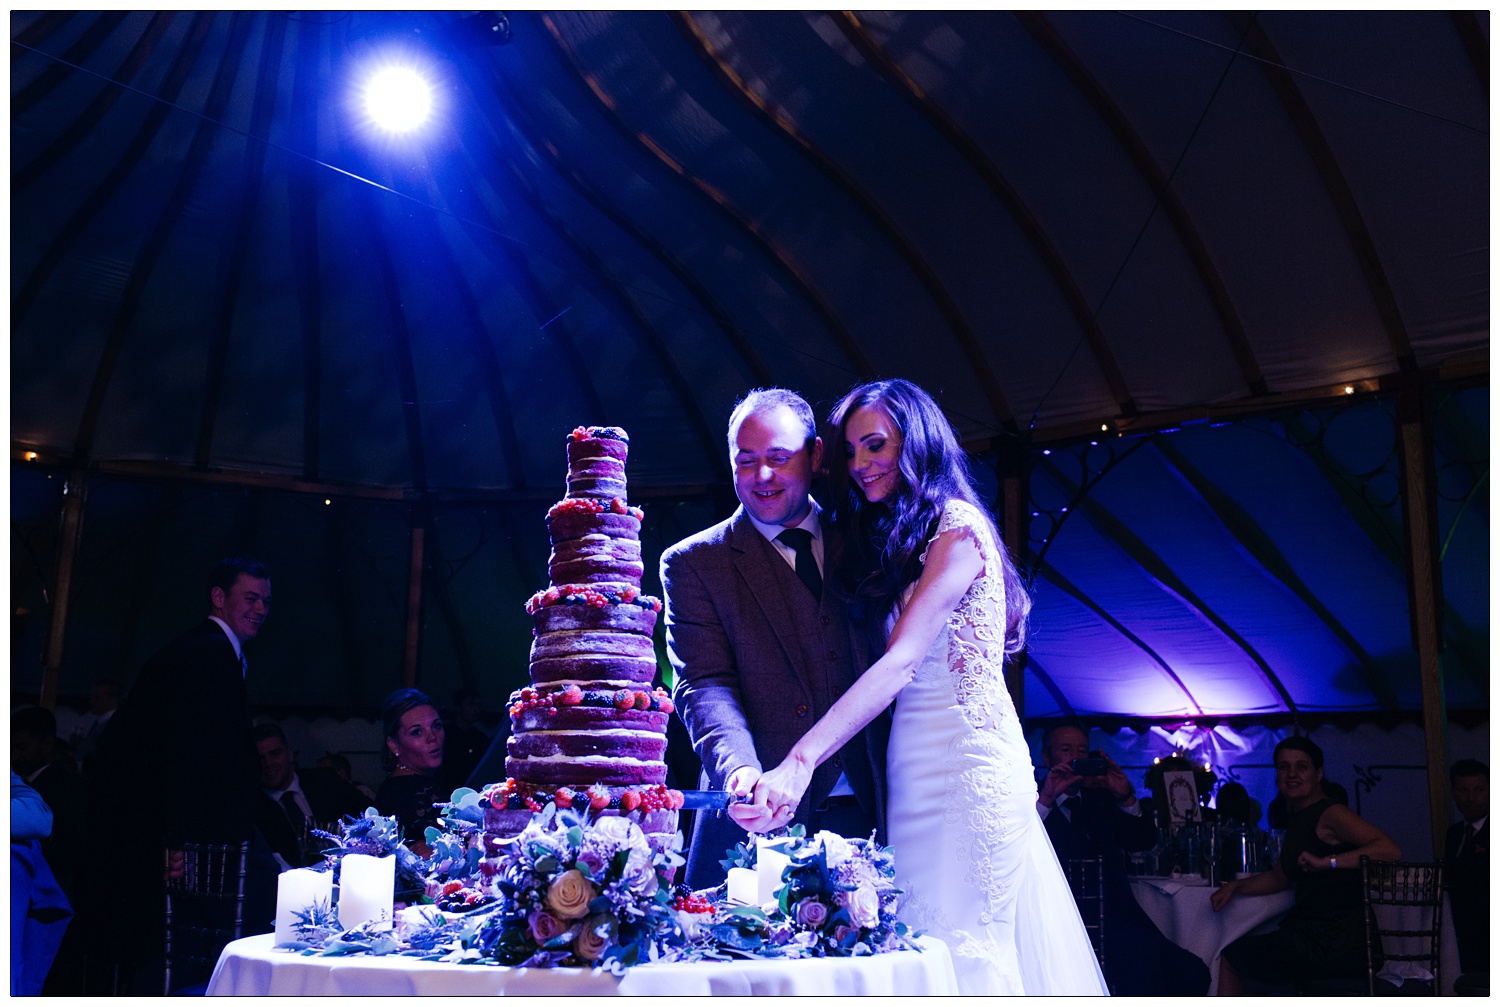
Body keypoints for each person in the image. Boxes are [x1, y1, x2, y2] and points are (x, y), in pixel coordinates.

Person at [745, 379, 1106, 995]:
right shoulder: (895, 535)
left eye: (876, 445)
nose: (860, 466)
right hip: (909, 769)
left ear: (919, 442)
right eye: (851, 451)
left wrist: (800, 760)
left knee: (970, 950)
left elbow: (900, 662)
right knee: (920, 947)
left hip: (971, 770)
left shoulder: (959, 530)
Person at [662, 388, 888, 890]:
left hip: (875, 809)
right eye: (747, 461)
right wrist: (739, 771)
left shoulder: (869, 537)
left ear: (816, 456)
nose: (762, 476)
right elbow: (704, 684)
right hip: (758, 823)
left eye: (779, 459)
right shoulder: (693, 563)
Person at [88, 556, 273, 991]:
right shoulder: (209, 654)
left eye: (266, 601)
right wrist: (177, 840)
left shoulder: (200, 649)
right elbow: (188, 754)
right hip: (185, 834)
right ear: (218, 597)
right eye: (251, 598)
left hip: (176, 829)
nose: (261, 609)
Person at [1211, 735, 1401, 995]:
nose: (1291, 774)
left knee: (1232, 957)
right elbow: (1280, 877)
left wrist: (1328, 862)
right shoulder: (1300, 817)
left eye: (1301, 767)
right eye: (1283, 766)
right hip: (1317, 936)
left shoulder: (1330, 813)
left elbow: (1389, 850)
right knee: (1250, 953)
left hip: (1335, 942)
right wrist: (1234, 886)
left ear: (1318, 773)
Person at [1037, 723, 1209, 995]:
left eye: (1082, 750)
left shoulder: (1099, 799)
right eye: (1065, 749)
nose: (1075, 756)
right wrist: (1046, 799)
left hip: (1115, 919)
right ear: (1047, 758)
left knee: (1190, 971)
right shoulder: (1030, 798)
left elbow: (1143, 841)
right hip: (1055, 920)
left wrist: (1125, 796)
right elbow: (1021, 846)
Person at [252, 722, 368, 868]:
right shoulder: (252, 807)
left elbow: (369, 814)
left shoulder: (325, 781)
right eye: (260, 757)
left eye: (275, 753)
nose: (268, 763)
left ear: (289, 754)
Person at [374, 689, 446, 853]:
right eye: (417, 732)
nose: (432, 737)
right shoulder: (406, 793)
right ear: (393, 745)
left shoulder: (423, 783)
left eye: (436, 726)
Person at [1444, 759, 1487, 976]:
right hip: (1462, 935)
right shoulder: (1455, 834)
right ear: (1453, 792)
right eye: (1463, 790)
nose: (1471, 798)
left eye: (1478, 789)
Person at [441, 687, 490, 794]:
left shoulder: (480, 737)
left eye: (478, 705)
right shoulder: (444, 733)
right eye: (471, 704)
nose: (475, 709)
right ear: (458, 707)